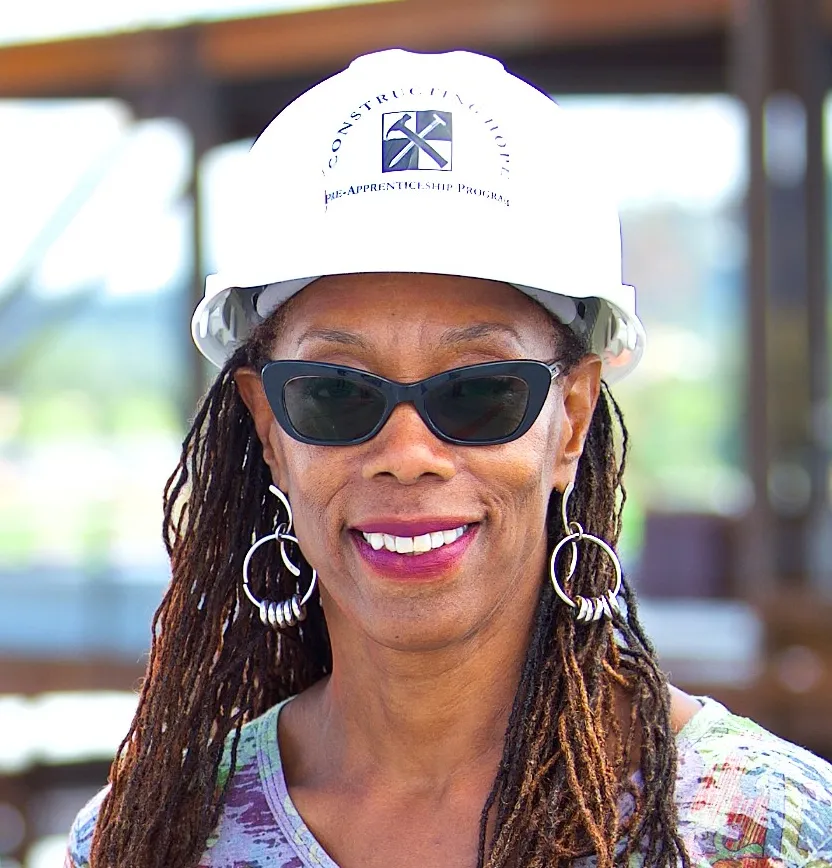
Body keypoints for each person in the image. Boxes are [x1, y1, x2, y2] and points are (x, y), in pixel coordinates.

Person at [65, 49, 832, 868]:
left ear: (569, 420)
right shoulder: (153, 836)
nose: (407, 455)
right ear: (267, 430)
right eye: (336, 394)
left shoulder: (759, 831)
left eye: (480, 393)